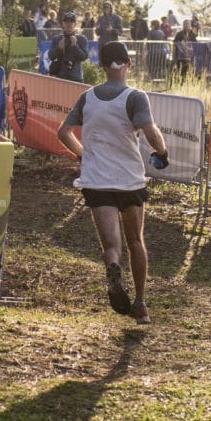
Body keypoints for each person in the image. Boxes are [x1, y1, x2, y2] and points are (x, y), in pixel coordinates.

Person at [56, 41, 168, 325]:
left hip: (97, 182)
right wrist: (162, 153)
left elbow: (63, 132)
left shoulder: (88, 97)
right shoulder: (135, 97)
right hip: (129, 181)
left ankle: (114, 269)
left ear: (102, 66)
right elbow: (150, 131)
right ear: (128, 64)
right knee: (136, 241)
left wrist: (84, 155)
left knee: (111, 246)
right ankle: (141, 304)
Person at [48, 12, 89, 82]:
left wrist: (75, 46)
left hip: (76, 77)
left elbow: (84, 57)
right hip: (60, 77)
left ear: (75, 24)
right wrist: (58, 48)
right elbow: (51, 56)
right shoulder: (57, 38)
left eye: (71, 22)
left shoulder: (81, 39)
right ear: (63, 23)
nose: (69, 24)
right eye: (67, 22)